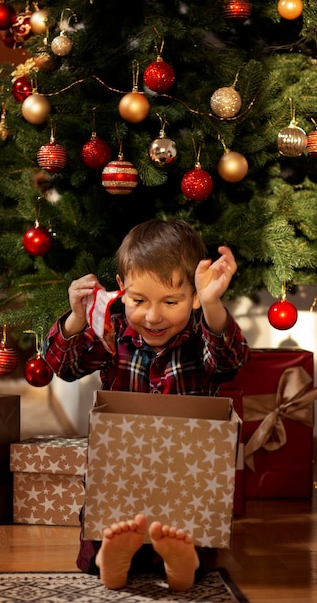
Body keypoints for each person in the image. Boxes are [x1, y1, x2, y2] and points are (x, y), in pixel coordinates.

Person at [43, 217, 249, 591]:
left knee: (188, 527)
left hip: (187, 478)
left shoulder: (199, 339)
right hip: (120, 475)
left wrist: (214, 303)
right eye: (139, 300)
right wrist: (76, 317)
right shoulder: (113, 332)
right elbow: (64, 366)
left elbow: (230, 360)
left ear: (194, 296)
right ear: (122, 289)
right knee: (109, 520)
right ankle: (113, 556)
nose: (153, 316)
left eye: (171, 301)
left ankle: (182, 563)